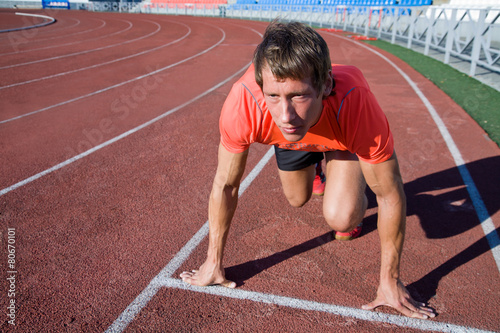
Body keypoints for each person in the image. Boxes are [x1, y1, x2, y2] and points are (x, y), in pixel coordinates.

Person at [180, 21, 435, 319]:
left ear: (325, 85)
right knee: (296, 199)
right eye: (273, 96)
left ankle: (347, 180)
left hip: (339, 137)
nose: (286, 115)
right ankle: (317, 168)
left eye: (298, 95)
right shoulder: (244, 103)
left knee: (342, 220)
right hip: (293, 142)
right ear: (262, 88)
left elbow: (390, 194)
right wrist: (213, 261)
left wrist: (389, 282)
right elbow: (226, 185)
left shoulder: (355, 104)